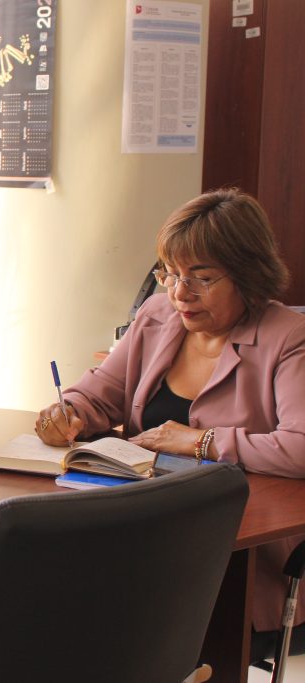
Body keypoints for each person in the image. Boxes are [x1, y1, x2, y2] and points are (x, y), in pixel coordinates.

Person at [34, 188, 305, 658]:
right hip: (141, 522)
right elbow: (100, 392)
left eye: (201, 278)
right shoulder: (157, 317)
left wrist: (203, 442)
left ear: (248, 275)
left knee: (99, 619)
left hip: (233, 547)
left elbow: (301, 446)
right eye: (170, 274)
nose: (180, 293)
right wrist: (69, 412)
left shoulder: (289, 338)